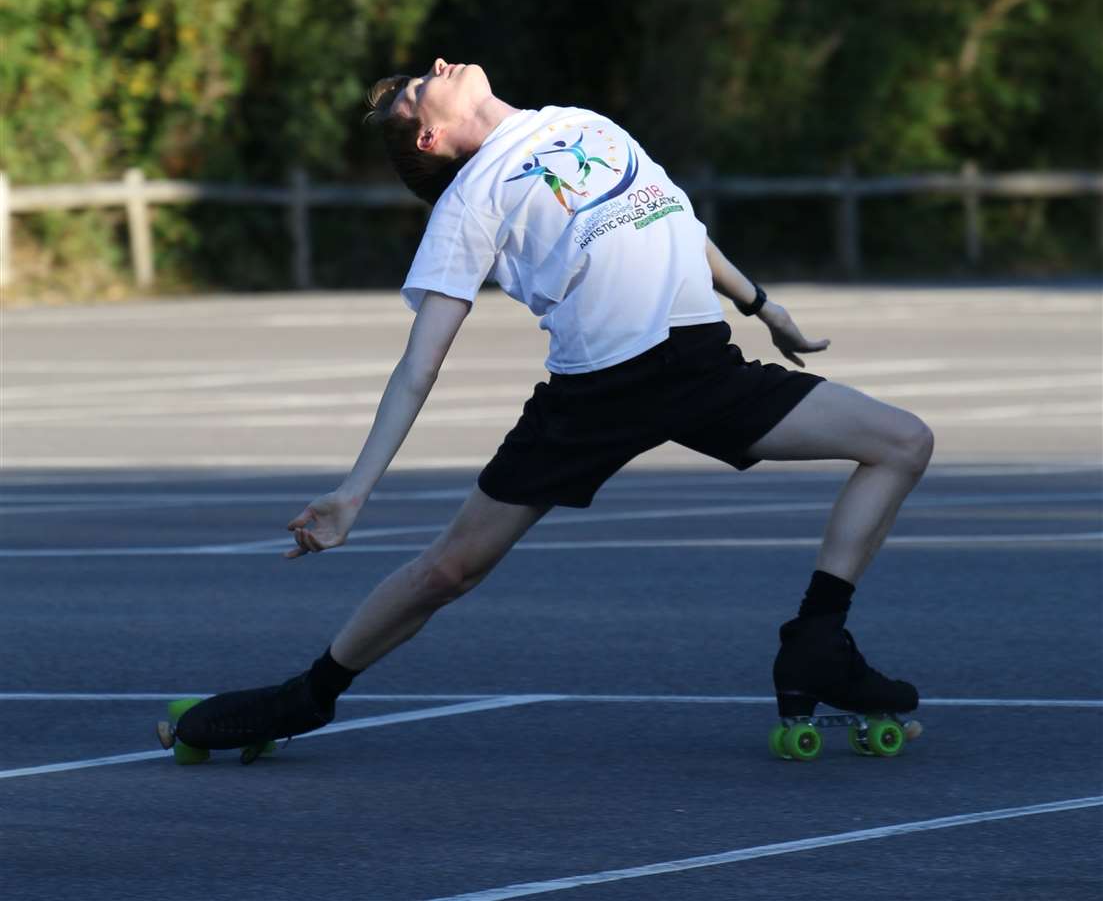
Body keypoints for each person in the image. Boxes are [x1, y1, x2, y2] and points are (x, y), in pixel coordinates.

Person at [172, 59, 933, 757]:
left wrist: (762, 305)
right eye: (414, 90)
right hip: (597, 391)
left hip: (701, 366)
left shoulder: (579, 119)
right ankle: (305, 697)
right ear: (430, 136)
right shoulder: (468, 203)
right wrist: (355, 490)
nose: (434, 68)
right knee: (450, 569)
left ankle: (817, 638)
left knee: (901, 442)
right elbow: (419, 363)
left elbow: (674, 221)